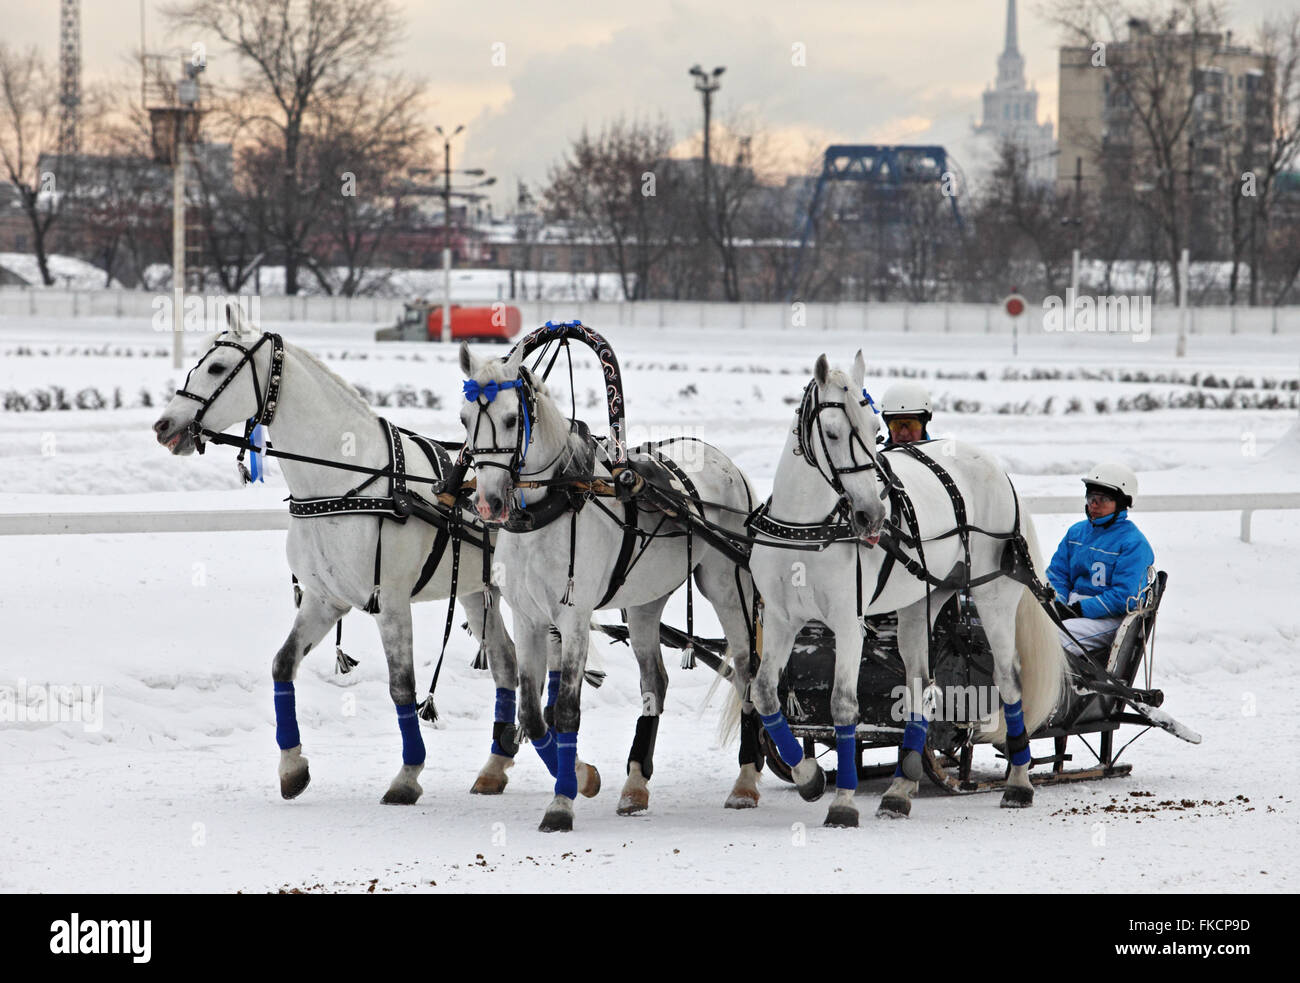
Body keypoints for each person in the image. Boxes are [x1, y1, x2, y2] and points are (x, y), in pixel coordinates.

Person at [1046, 462, 1155, 659]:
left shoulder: (1134, 543)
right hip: (1071, 610)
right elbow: (1057, 576)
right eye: (1091, 497)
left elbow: (1124, 596)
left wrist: (1078, 610)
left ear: (1122, 502)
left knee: (1051, 638)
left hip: (1109, 620)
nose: (1094, 505)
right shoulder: (1076, 533)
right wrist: (1058, 605)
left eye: (1103, 499)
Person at [880, 381, 932, 447]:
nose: (904, 433)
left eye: (912, 424)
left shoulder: (939, 456)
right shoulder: (875, 457)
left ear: (924, 424)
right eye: (896, 424)